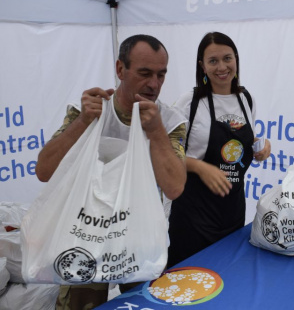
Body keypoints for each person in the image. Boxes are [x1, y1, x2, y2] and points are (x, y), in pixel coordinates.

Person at [35, 34, 187, 310]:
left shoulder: (170, 121)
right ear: (120, 69)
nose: (154, 84)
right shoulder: (91, 110)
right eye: (144, 73)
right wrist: (82, 121)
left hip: (140, 238)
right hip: (86, 234)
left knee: (144, 304)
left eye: (161, 75)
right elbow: (44, 170)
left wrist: (155, 132)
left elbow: (175, 187)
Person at [167, 31, 271, 268]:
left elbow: (244, 139)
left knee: (225, 280)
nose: (222, 67)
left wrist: (262, 146)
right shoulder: (190, 102)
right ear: (202, 66)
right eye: (213, 61)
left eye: (227, 58)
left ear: (236, 59)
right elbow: (165, 155)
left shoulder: (246, 98)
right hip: (192, 215)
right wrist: (200, 167)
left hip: (232, 212)